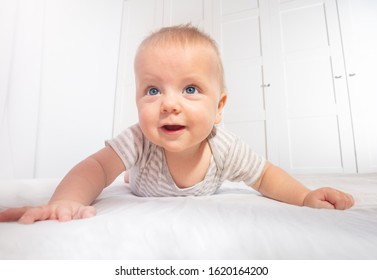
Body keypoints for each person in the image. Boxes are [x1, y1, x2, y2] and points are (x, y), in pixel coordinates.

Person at [0, 25, 354, 224]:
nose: (169, 104)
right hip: (141, 177)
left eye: (190, 89)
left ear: (219, 108)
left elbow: (265, 176)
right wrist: (64, 202)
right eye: (152, 90)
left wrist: (305, 197)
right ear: (138, 99)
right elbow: (94, 168)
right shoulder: (139, 139)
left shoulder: (223, 146)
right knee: (122, 171)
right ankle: (131, 174)